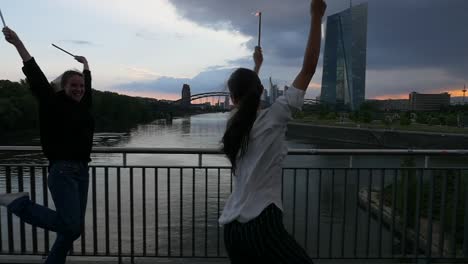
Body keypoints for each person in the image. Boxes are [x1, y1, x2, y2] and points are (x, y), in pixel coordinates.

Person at [219, 0, 327, 263]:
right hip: (262, 224)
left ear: (232, 99)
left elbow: (245, 100)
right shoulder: (274, 117)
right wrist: (316, 17)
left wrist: (256, 65)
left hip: (231, 228)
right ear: (260, 92)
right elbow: (309, 68)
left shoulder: (233, 125)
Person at [0, 26, 94, 264]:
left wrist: (86, 65)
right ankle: (18, 203)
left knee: (72, 228)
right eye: (74, 85)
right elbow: (34, 73)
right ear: (63, 86)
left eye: (81, 86)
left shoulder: (83, 105)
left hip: (82, 171)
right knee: (71, 226)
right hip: (62, 171)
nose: (79, 89)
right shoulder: (51, 103)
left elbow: (88, 87)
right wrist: (18, 44)